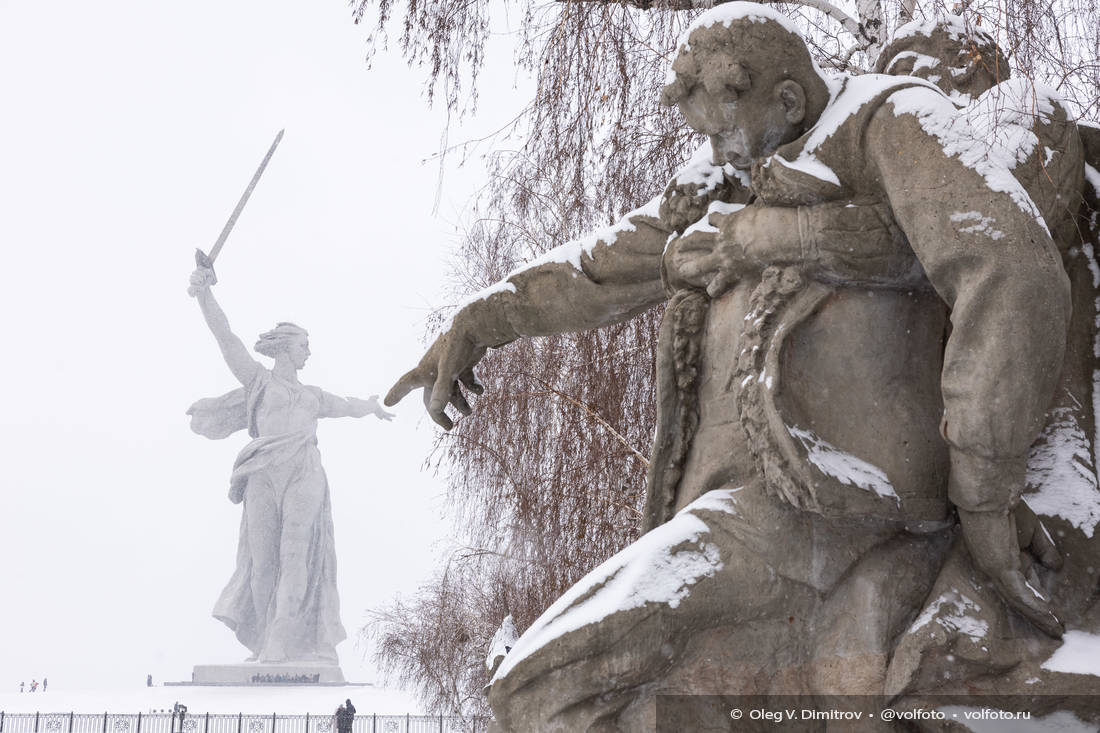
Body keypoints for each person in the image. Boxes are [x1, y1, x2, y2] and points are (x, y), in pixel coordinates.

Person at [387, 4, 1094, 730]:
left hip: (826, 509)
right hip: (733, 516)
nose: (716, 148)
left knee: (544, 684)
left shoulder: (887, 121)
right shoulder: (728, 180)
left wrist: (982, 491)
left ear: (787, 100)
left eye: (723, 127)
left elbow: (1006, 261)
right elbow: (604, 266)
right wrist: (483, 318)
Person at [188, 259, 394, 663]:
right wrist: (206, 293)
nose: (308, 352)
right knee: (263, 563)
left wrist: (372, 406)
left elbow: (347, 405)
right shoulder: (258, 381)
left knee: (296, 555)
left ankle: (283, 638)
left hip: (304, 470)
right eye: (303, 346)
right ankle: (268, 636)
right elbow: (225, 337)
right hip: (263, 472)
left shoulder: (313, 396)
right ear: (285, 347)